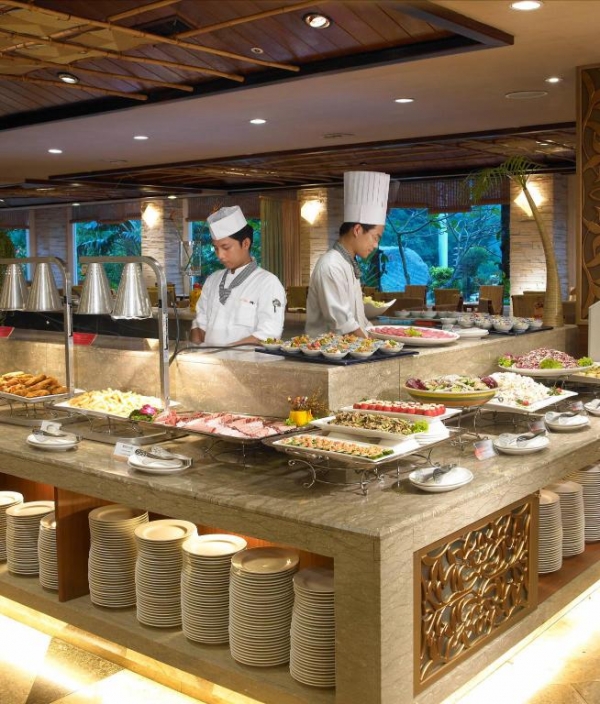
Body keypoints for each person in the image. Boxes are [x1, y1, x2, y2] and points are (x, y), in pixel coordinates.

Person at [306, 171, 390, 337]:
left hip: (351, 349)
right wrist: (373, 345)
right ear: (357, 230)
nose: (375, 245)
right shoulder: (331, 265)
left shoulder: (348, 263)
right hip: (329, 351)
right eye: (375, 237)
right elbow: (344, 326)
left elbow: (359, 321)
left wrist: (380, 337)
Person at [190, 206, 286, 346]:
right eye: (216, 248)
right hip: (209, 358)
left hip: (247, 360)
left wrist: (223, 353)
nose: (220, 255)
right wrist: (198, 351)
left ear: (245, 243)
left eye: (226, 247)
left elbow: (268, 335)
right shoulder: (212, 280)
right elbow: (199, 323)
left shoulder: (268, 283)